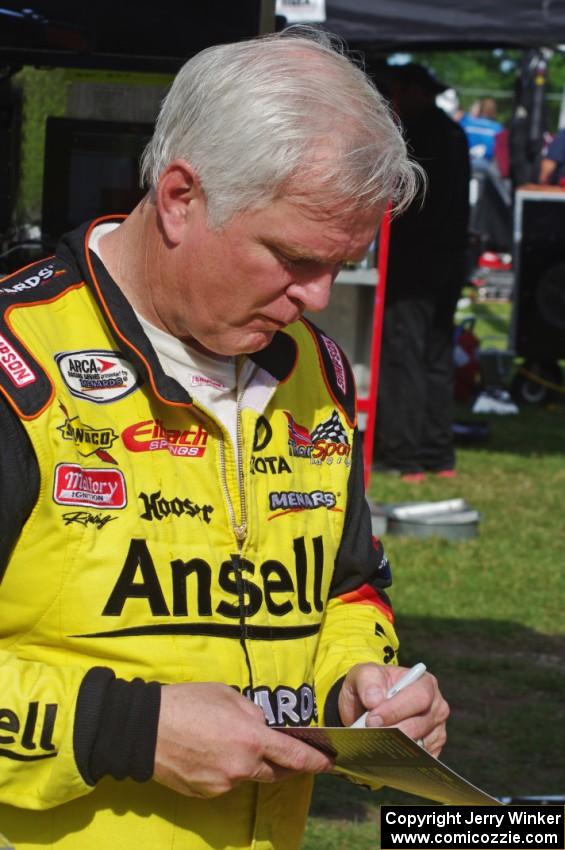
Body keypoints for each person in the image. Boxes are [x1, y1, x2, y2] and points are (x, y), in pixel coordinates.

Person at [0, 31, 448, 850]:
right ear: (179, 197)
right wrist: (128, 730)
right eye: (291, 256)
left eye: (341, 264)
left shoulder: (316, 371)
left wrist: (359, 684)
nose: (315, 296)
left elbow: (346, 587)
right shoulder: (16, 365)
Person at [375, 63, 470, 480]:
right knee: (435, 356)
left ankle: (404, 455)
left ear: (412, 91)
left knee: (405, 355)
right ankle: (438, 454)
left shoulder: (418, 134)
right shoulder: (453, 132)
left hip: (416, 264)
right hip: (449, 260)